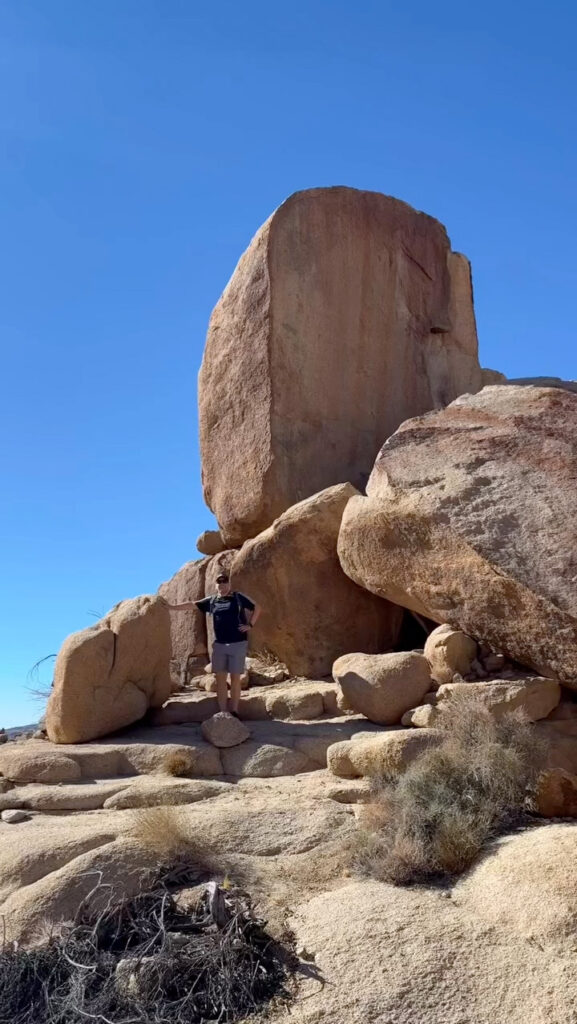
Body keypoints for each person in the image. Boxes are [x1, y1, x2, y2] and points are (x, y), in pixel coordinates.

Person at [166, 572, 261, 716]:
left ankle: (234, 710)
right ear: (216, 585)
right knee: (220, 679)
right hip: (220, 645)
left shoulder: (237, 597)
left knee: (235, 679)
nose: (222, 585)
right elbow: (193, 605)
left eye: (225, 582)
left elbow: (257, 608)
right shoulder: (212, 601)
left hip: (238, 643)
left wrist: (250, 625)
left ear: (229, 584)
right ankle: (223, 711)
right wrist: (171, 607)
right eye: (219, 582)